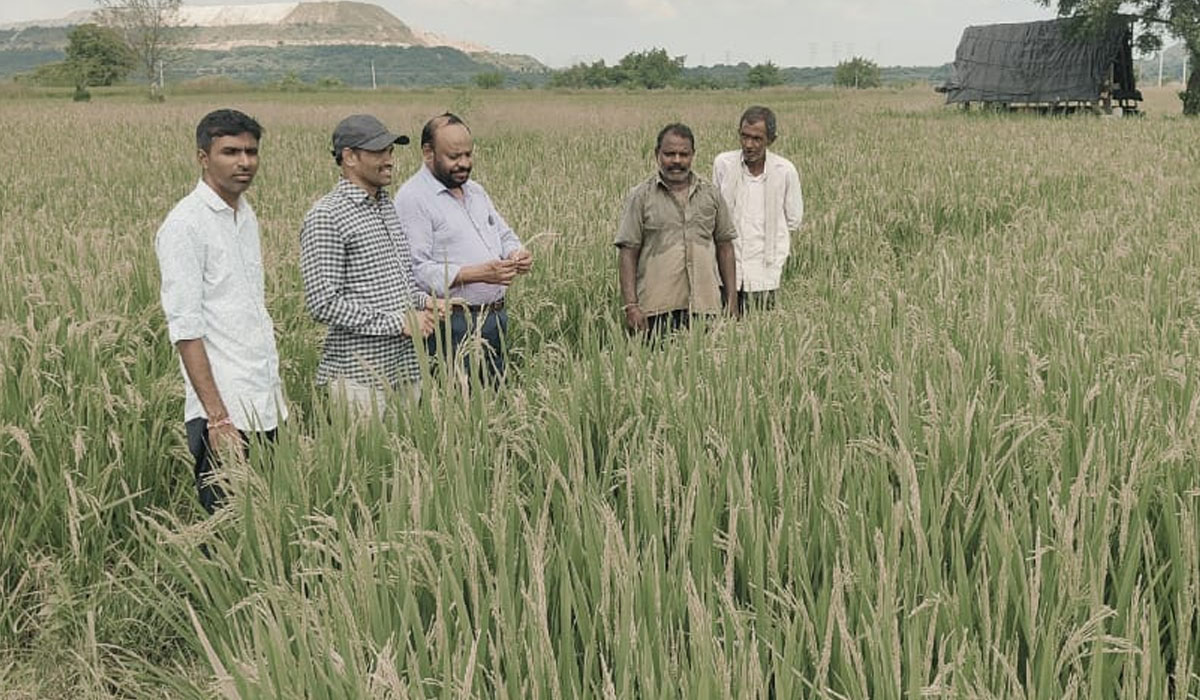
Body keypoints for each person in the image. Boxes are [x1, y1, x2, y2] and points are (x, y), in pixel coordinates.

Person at [155, 109, 286, 513]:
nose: (244, 162)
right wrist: (218, 418)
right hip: (224, 410)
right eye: (230, 151)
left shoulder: (245, 216)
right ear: (203, 157)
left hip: (263, 401)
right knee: (228, 526)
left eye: (251, 151)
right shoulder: (185, 226)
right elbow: (186, 330)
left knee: (267, 518)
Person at [300, 114, 437, 415]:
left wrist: (429, 302)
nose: (389, 160)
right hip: (359, 378)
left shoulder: (387, 207)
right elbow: (322, 303)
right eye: (378, 152)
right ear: (349, 157)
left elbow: (399, 284)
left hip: (404, 367)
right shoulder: (327, 216)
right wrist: (398, 323)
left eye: (390, 151)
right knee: (369, 461)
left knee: (407, 457)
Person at [394, 112, 532, 383]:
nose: (464, 164)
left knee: (495, 400)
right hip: (452, 325)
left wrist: (517, 253)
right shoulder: (413, 199)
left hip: (494, 319)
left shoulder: (476, 191)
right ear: (428, 152)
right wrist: (475, 274)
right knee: (457, 408)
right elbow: (415, 270)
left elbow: (504, 235)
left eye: (468, 155)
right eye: (454, 157)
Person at [615, 123, 738, 334]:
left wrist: (732, 301)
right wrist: (631, 306)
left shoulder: (711, 195)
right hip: (655, 310)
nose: (677, 161)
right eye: (669, 154)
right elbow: (628, 252)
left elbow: (725, 247)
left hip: (705, 307)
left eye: (684, 154)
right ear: (657, 154)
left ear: (693, 155)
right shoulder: (641, 196)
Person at [712, 106, 803, 313]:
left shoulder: (785, 171)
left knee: (761, 331)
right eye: (744, 137)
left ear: (771, 140)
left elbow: (793, 220)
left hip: (765, 272)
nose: (748, 145)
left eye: (756, 139)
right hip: (726, 269)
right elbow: (716, 212)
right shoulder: (723, 164)